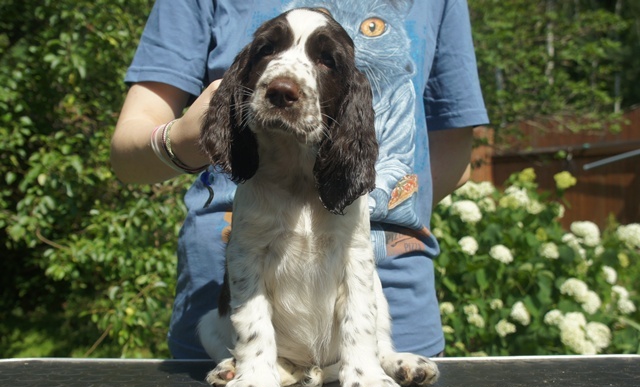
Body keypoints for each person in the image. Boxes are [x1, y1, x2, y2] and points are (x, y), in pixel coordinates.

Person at [111, 0, 489, 360]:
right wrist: (186, 140)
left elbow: (454, 158)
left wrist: (346, 210)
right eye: (268, 51)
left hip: (386, 320)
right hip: (230, 321)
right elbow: (126, 155)